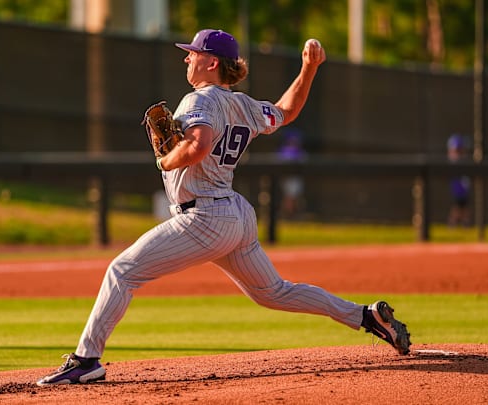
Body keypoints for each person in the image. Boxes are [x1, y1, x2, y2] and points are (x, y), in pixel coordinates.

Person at [37, 29, 411, 386]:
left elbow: (198, 146)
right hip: (234, 214)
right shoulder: (243, 104)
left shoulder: (200, 99)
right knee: (274, 292)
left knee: (123, 270)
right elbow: (286, 110)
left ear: (212, 63)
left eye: (193, 53)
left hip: (204, 218)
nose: (187, 58)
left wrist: (165, 161)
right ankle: (365, 315)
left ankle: (86, 361)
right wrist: (309, 68)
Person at [278, 128, 306, 218]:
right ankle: (286, 214)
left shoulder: (300, 151)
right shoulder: (284, 150)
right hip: (287, 178)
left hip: (296, 178)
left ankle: (295, 215)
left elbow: (305, 160)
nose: (293, 142)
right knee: (288, 198)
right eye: (292, 140)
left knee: (296, 198)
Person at [446, 134, 471, 227]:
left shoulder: (464, 160)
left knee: (464, 207)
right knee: (457, 206)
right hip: (457, 189)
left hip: (464, 189)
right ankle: (453, 223)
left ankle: (465, 223)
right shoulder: (454, 160)